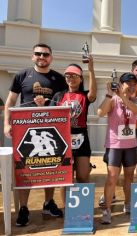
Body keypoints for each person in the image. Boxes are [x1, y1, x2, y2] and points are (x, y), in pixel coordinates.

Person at [3, 43, 66, 226]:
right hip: (26, 131)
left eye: (45, 54)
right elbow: (11, 101)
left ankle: (48, 203)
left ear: (51, 57)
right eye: (38, 54)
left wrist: (47, 105)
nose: (41, 57)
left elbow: (62, 103)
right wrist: (7, 123)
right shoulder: (22, 75)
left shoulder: (59, 79)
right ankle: (23, 208)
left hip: (51, 129)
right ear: (33, 57)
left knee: (51, 167)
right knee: (25, 169)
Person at [97, 73, 137, 224]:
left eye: (134, 83)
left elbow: (136, 111)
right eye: (129, 83)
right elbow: (100, 113)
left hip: (130, 146)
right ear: (121, 84)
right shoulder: (113, 99)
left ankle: (128, 204)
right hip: (115, 145)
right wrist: (109, 95)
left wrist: (124, 96)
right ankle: (107, 209)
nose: (132, 85)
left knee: (129, 176)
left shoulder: (135, 99)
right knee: (112, 177)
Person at [50, 57, 97, 183]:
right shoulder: (58, 95)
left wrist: (91, 70)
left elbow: (93, 95)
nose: (71, 78)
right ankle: (66, 203)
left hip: (81, 137)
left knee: (82, 176)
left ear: (81, 78)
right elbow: (50, 115)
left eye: (74, 75)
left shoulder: (84, 95)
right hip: (62, 138)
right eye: (68, 75)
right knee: (66, 177)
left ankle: (84, 203)